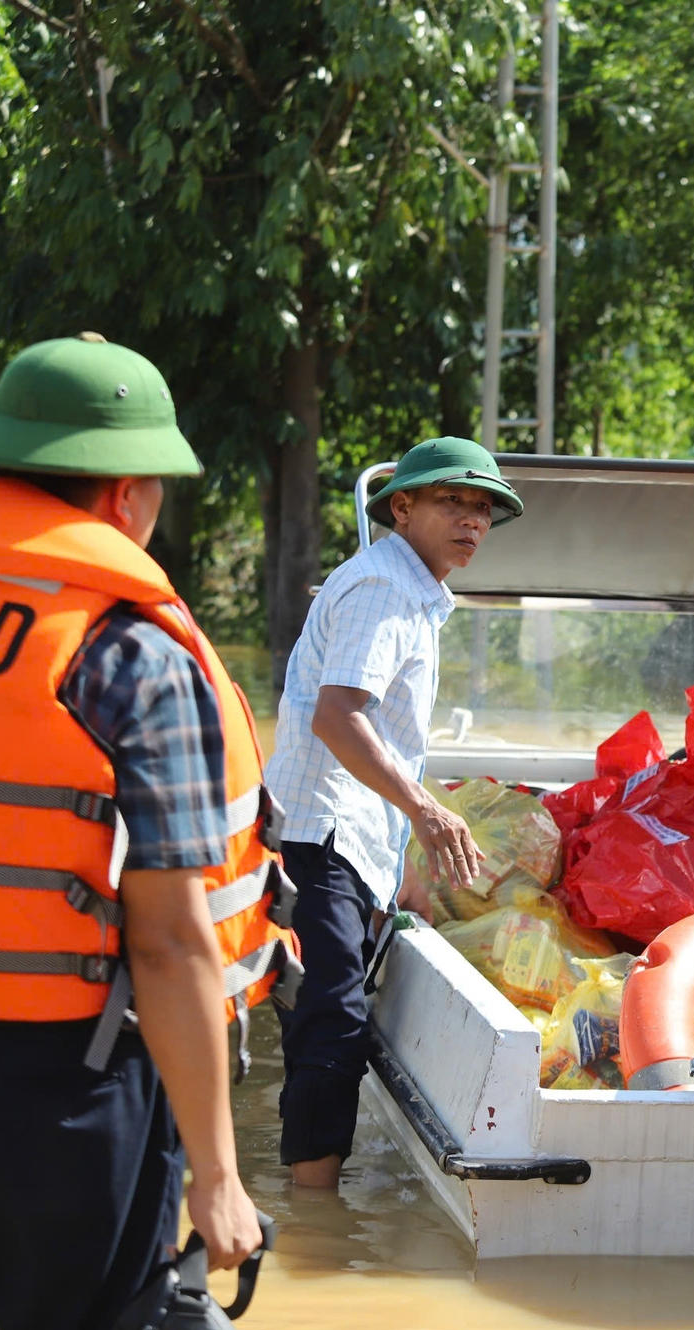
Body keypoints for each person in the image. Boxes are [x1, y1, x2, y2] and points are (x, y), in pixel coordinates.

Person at [0, 334, 298, 1330]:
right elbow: (168, 937)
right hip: (61, 1089)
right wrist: (219, 1174)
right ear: (123, 496)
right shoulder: (131, 655)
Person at [265, 437, 522, 1188]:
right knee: (331, 1020)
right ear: (401, 507)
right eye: (453, 502)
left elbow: (387, 741)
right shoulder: (383, 587)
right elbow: (338, 718)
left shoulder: (411, 591)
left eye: (483, 509)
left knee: (325, 1018)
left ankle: (309, 1189)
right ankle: (316, 1220)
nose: (472, 521)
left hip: (341, 841)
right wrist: (426, 814)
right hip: (317, 843)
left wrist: (402, 867)